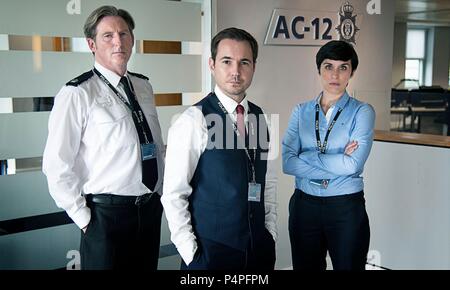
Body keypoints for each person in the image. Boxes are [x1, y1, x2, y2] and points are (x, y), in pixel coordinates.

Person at [42, 5, 165, 270]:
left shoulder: (143, 86)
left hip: (149, 210)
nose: (118, 41)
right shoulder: (77, 93)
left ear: (132, 39)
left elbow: (152, 144)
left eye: (124, 33)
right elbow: (56, 166)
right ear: (92, 44)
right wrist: (86, 220)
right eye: (107, 35)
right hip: (107, 217)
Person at [161, 27, 277, 270]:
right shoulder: (193, 120)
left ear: (254, 66)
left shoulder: (261, 117)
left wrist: (270, 234)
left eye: (244, 62)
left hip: (258, 251)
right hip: (211, 254)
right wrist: (192, 255)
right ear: (212, 65)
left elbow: (269, 183)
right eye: (227, 61)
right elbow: (174, 194)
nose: (236, 71)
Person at [282, 40, 375, 270]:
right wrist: (338, 160)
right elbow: (287, 162)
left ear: (351, 71)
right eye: (328, 66)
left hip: (345, 208)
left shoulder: (362, 111)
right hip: (304, 206)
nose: (335, 74)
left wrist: (306, 156)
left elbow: (352, 164)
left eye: (343, 67)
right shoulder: (300, 111)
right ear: (319, 70)